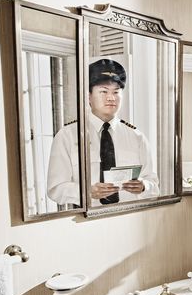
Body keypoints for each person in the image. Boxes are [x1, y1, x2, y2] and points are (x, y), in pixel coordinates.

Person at [47, 58, 159, 206]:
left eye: (116, 92)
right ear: (88, 96)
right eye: (103, 91)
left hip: (130, 219)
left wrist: (144, 186)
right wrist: (87, 192)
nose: (111, 98)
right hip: (86, 223)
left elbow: (154, 185)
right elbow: (55, 189)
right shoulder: (67, 136)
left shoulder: (136, 137)